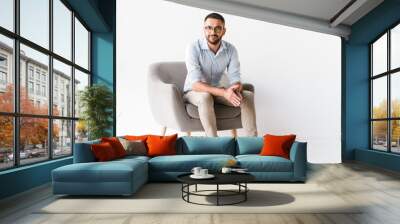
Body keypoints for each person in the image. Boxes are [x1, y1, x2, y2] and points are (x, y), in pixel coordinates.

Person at [183, 12, 257, 137]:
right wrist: (224, 92)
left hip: (217, 90)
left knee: (247, 96)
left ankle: (253, 142)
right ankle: (214, 143)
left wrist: (236, 87)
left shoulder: (231, 49)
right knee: (205, 96)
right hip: (193, 92)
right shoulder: (193, 48)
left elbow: (235, 77)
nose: (213, 32)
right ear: (204, 29)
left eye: (218, 28)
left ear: (224, 31)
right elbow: (195, 85)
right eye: (209, 28)